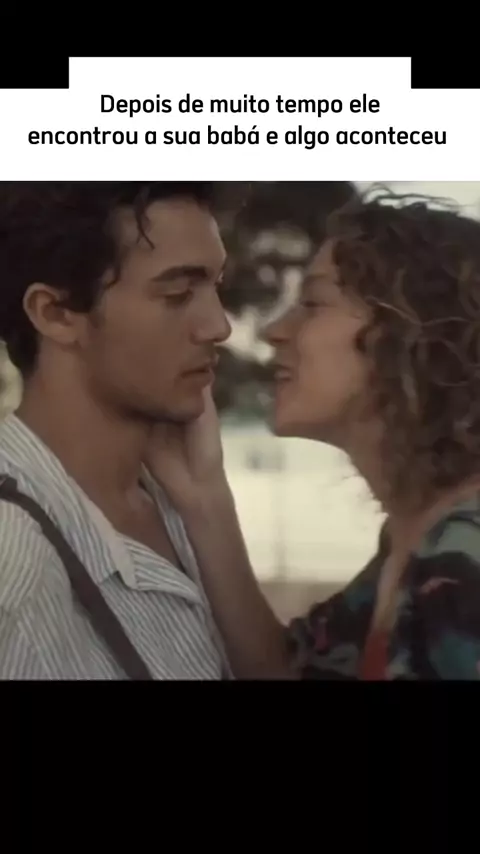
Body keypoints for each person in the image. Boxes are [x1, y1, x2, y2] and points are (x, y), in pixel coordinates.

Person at [146, 191, 480, 680]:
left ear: (409, 331)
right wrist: (204, 494)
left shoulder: (464, 562)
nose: (274, 331)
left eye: (312, 303)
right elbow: (286, 671)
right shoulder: (417, 539)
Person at [0, 181, 233, 680]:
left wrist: (210, 503)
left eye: (217, 285)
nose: (219, 326)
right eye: (178, 293)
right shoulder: (13, 563)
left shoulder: (170, 500)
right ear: (55, 314)